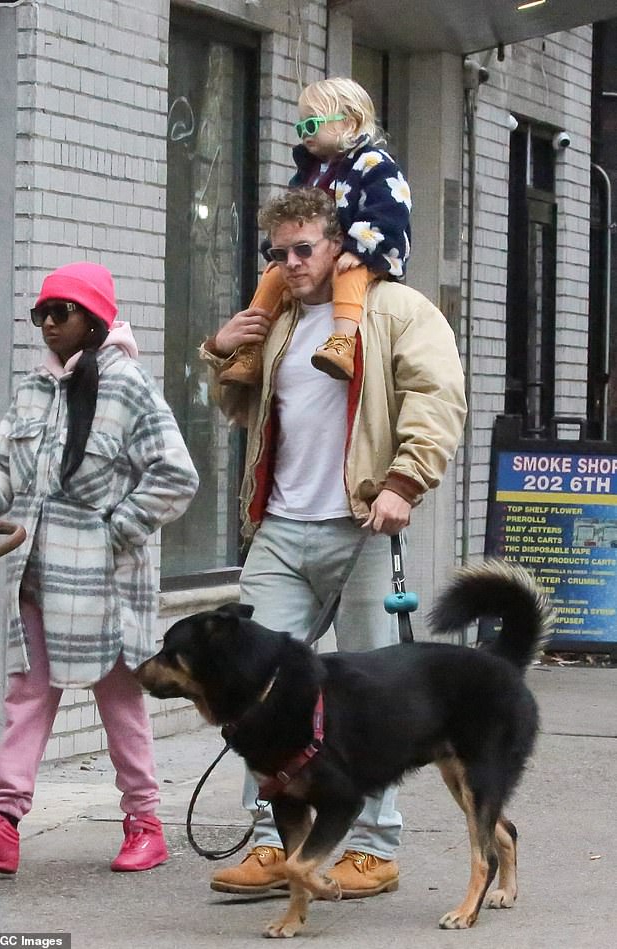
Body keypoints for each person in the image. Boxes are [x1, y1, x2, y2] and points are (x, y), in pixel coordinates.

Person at [199, 188, 466, 898]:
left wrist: (405, 482)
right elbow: (241, 407)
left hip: (364, 526)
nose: (289, 264)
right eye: (276, 253)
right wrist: (220, 351)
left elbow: (438, 397)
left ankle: (373, 846)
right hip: (281, 528)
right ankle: (270, 840)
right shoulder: (279, 318)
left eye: (302, 249)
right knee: (253, 688)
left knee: (374, 690)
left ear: (338, 243)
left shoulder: (397, 310)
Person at [0, 262, 199, 874]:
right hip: (33, 574)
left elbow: (176, 474)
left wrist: (114, 528)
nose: (48, 325)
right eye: (41, 314)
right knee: (27, 696)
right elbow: (2, 466)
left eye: (62, 312)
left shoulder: (126, 384)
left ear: (95, 319)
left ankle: (145, 822)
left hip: (104, 584)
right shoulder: (32, 387)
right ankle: (3, 822)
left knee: (120, 700)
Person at [220, 76, 412, 386]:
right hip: (328, 251)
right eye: (301, 128)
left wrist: (358, 248)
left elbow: (389, 210)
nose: (305, 135)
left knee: (348, 273)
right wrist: (277, 250)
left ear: (349, 123)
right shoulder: (311, 171)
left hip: (372, 249)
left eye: (311, 126)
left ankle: (343, 341)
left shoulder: (374, 163)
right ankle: (250, 348)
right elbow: (291, 216)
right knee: (272, 277)